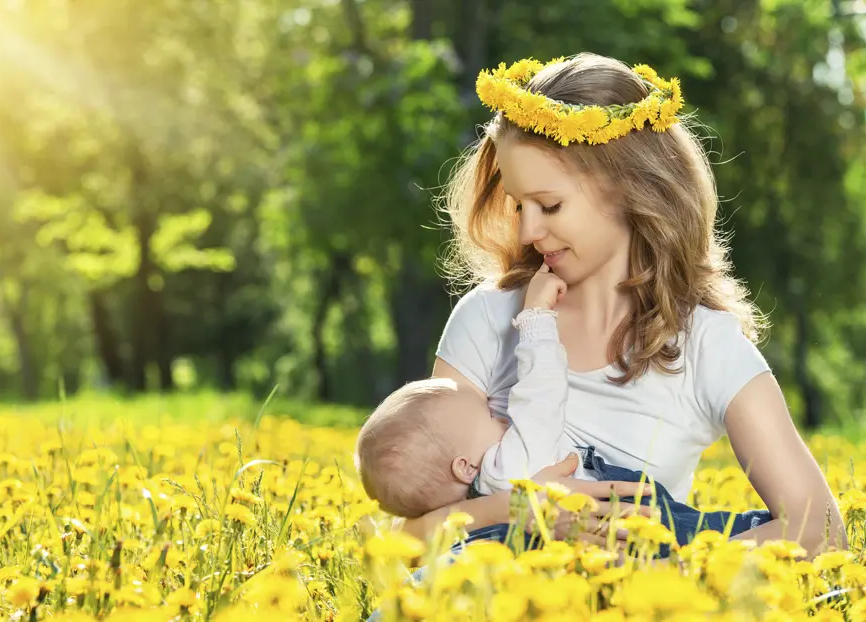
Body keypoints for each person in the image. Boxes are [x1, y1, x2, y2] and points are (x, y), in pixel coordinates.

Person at [396, 52, 846, 558]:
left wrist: (668, 579)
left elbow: (822, 531)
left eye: (550, 205)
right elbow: (408, 538)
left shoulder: (706, 347)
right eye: (519, 205)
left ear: (631, 187)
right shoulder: (489, 318)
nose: (527, 231)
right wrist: (520, 509)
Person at [356, 263, 771, 554]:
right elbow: (541, 396)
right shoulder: (510, 466)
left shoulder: (469, 510)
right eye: (488, 416)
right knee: (705, 534)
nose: (500, 414)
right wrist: (536, 322)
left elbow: (409, 539)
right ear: (464, 467)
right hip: (632, 527)